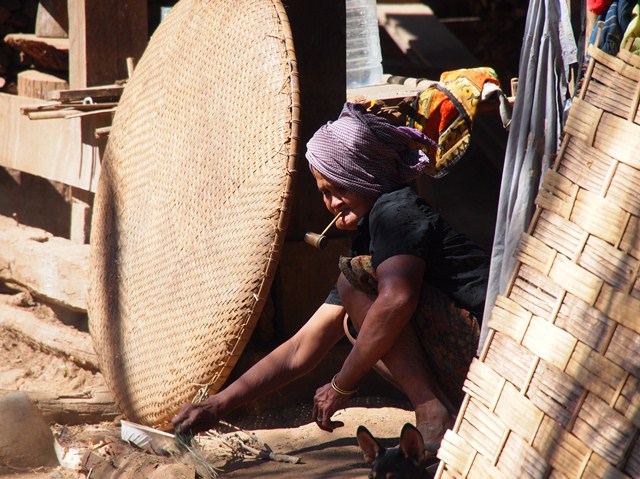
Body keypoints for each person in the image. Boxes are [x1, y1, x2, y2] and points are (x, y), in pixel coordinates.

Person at [172, 102, 489, 455]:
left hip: (489, 348)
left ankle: (432, 411)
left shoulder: (395, 213)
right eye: (324, 192)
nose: (332, 203)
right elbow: (301, 347)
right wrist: (220, 404)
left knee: (354, 288)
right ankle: (444, 406)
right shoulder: (369, 240)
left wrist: (342, 384)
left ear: (363, 172)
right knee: (355, 312)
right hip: (468, 356)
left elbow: (398, 299)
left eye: (339, 188)